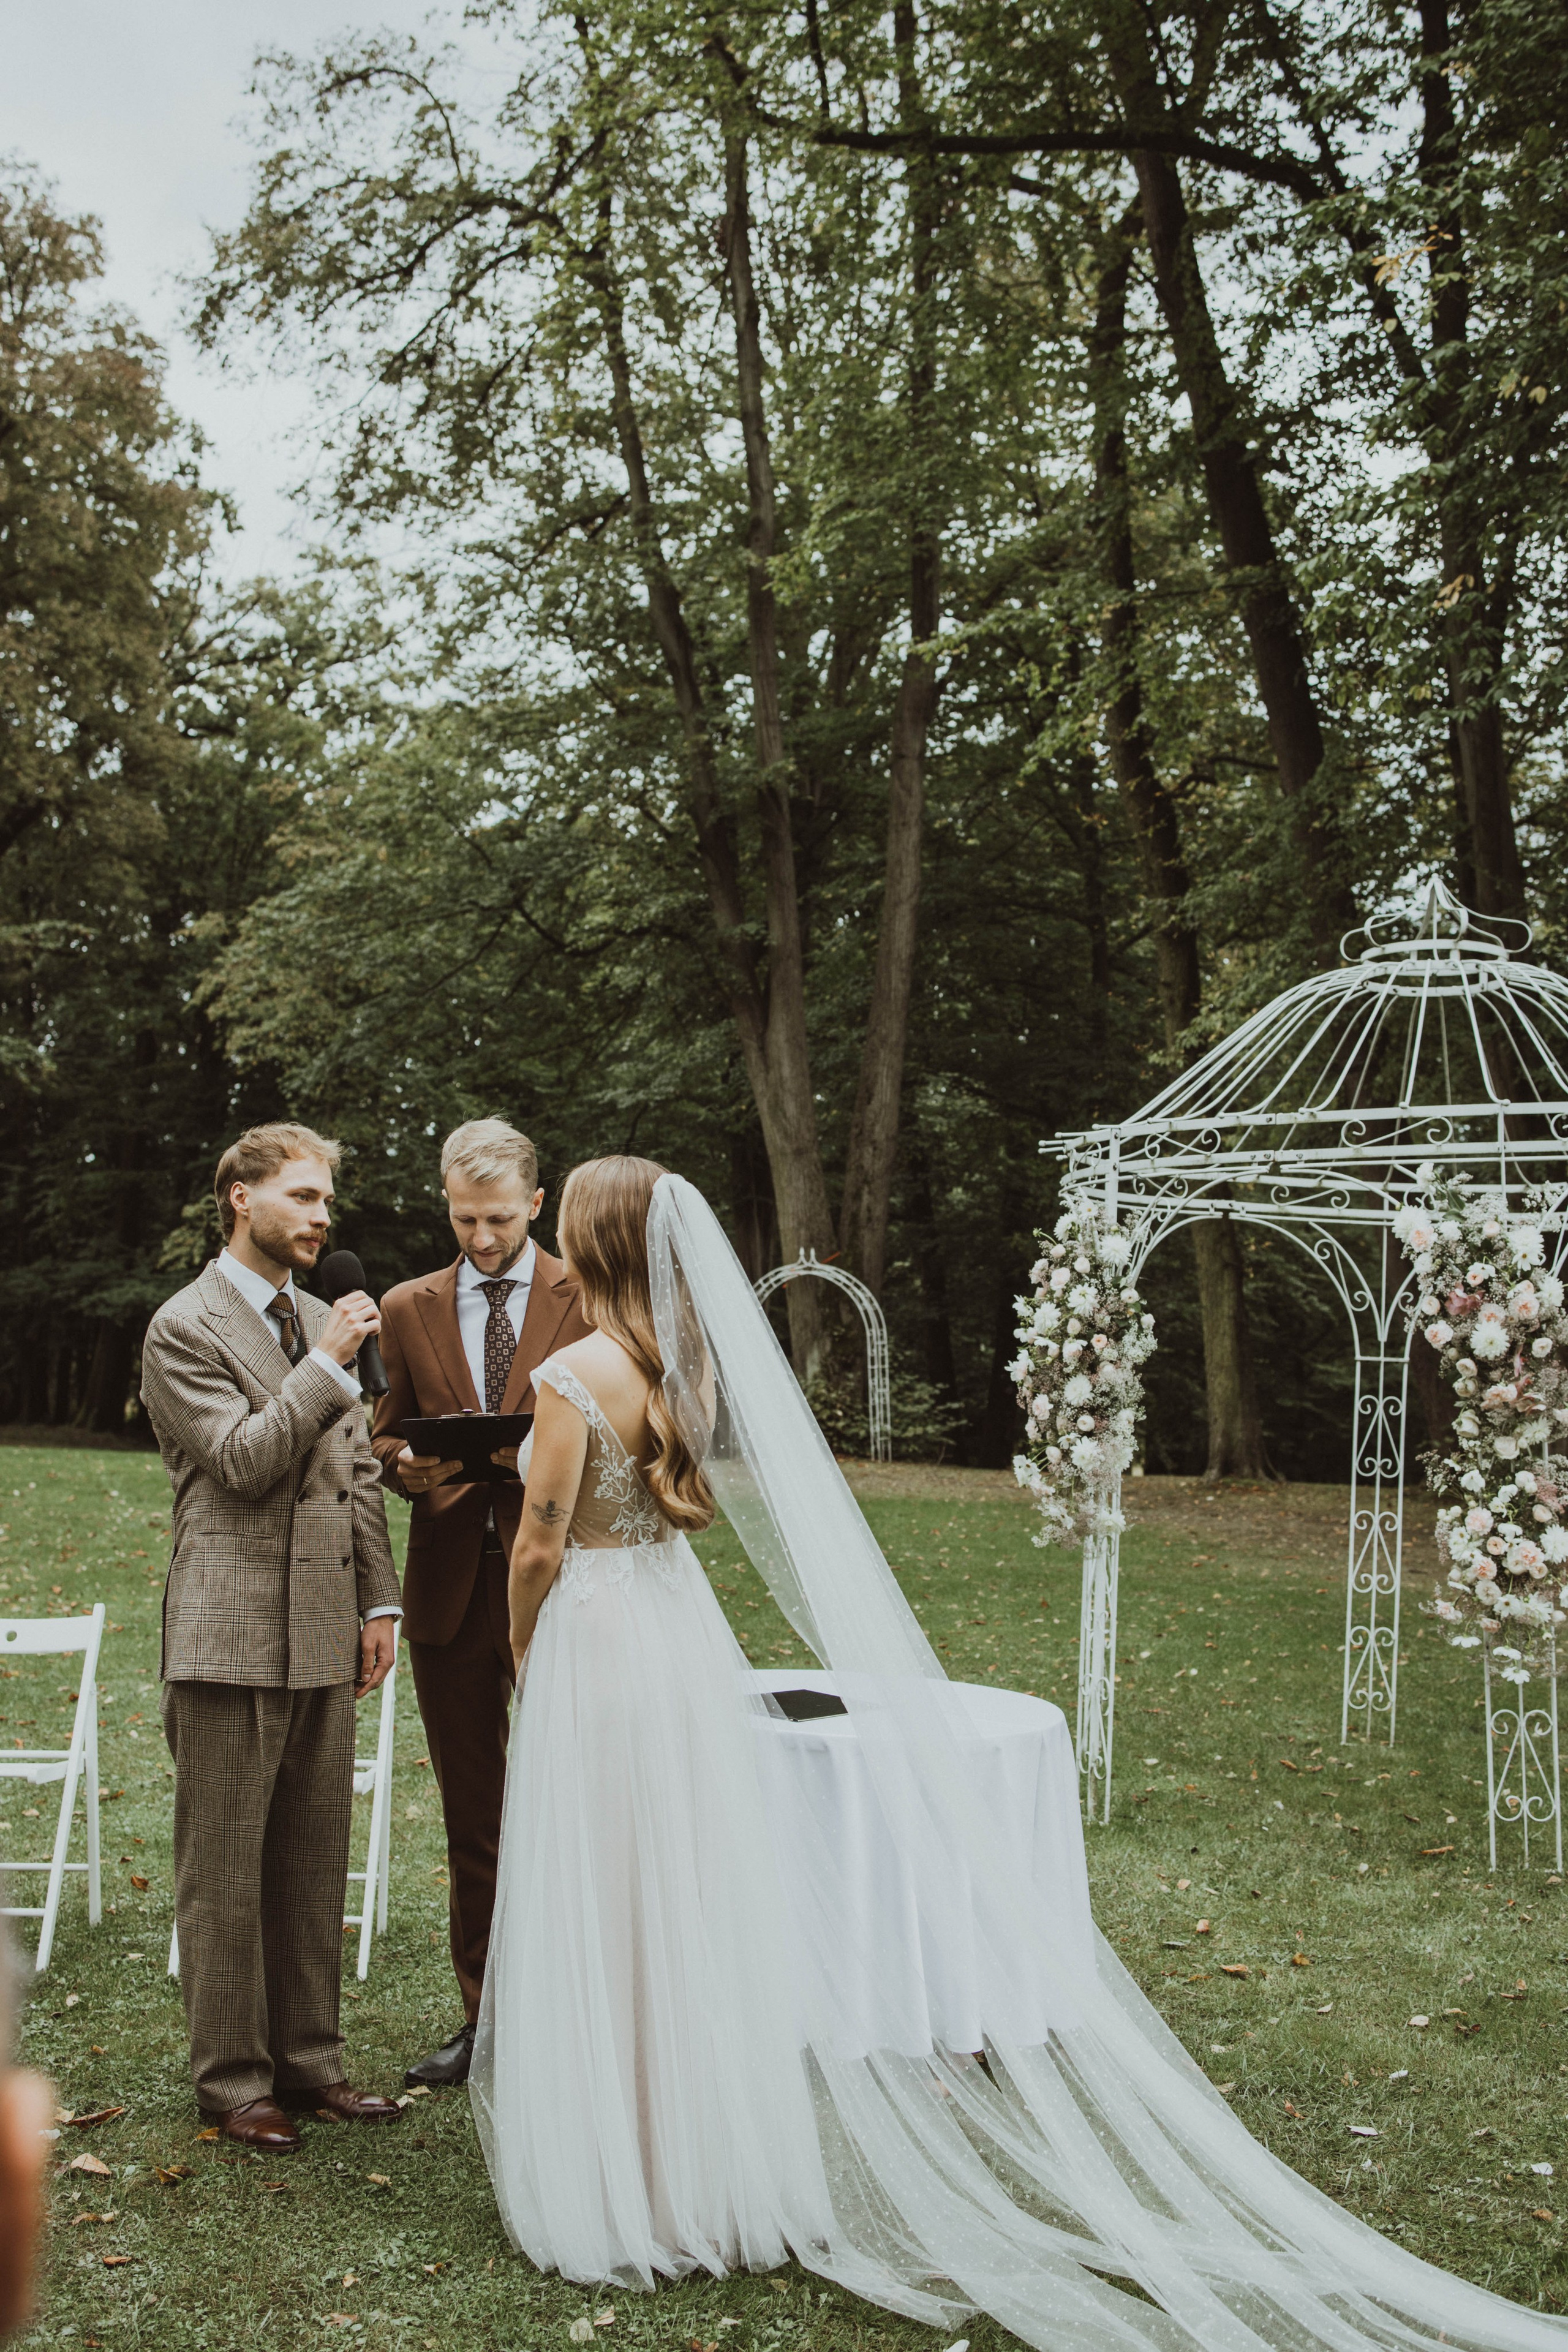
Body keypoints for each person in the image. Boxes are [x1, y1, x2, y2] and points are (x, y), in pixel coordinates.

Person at [472, 1156, 1568, 2352]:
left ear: (586, 1243)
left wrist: (523, 1648)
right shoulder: (672, 1369)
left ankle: (617, 2179)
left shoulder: (573, 1375)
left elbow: (537, 1542)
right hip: (674, 1633)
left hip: (598, 1641)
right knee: (677, 1901)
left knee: (607, 1894)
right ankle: (699, 2174)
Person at [140, 1122, 404, 2154]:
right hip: (227, 1625)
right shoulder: (183, 1327)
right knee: (226, 1868)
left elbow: (358, 1474)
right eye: (301, 1196)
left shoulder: (318, 1315)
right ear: (240, 1198)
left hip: (324, 1624)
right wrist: (330, 1363)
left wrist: (379, 1602)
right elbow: (243, 1462)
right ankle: (235, 2081)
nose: (323, 1216)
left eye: (327, 1198)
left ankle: (312, 2064)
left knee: (309, 1858)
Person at [372, 1118, 590, 2087]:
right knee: (476, 1812)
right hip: (451, 1590)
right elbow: (384, 1439)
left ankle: (580, 2009)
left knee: (581, 1802)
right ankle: (485, 2020)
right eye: (465, 1220)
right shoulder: (407, 1306)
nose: (483, 1239)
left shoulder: (586, 1295)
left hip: (567, 1586)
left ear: (536, 1205)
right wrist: (406, 1468)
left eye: (499, 1219)